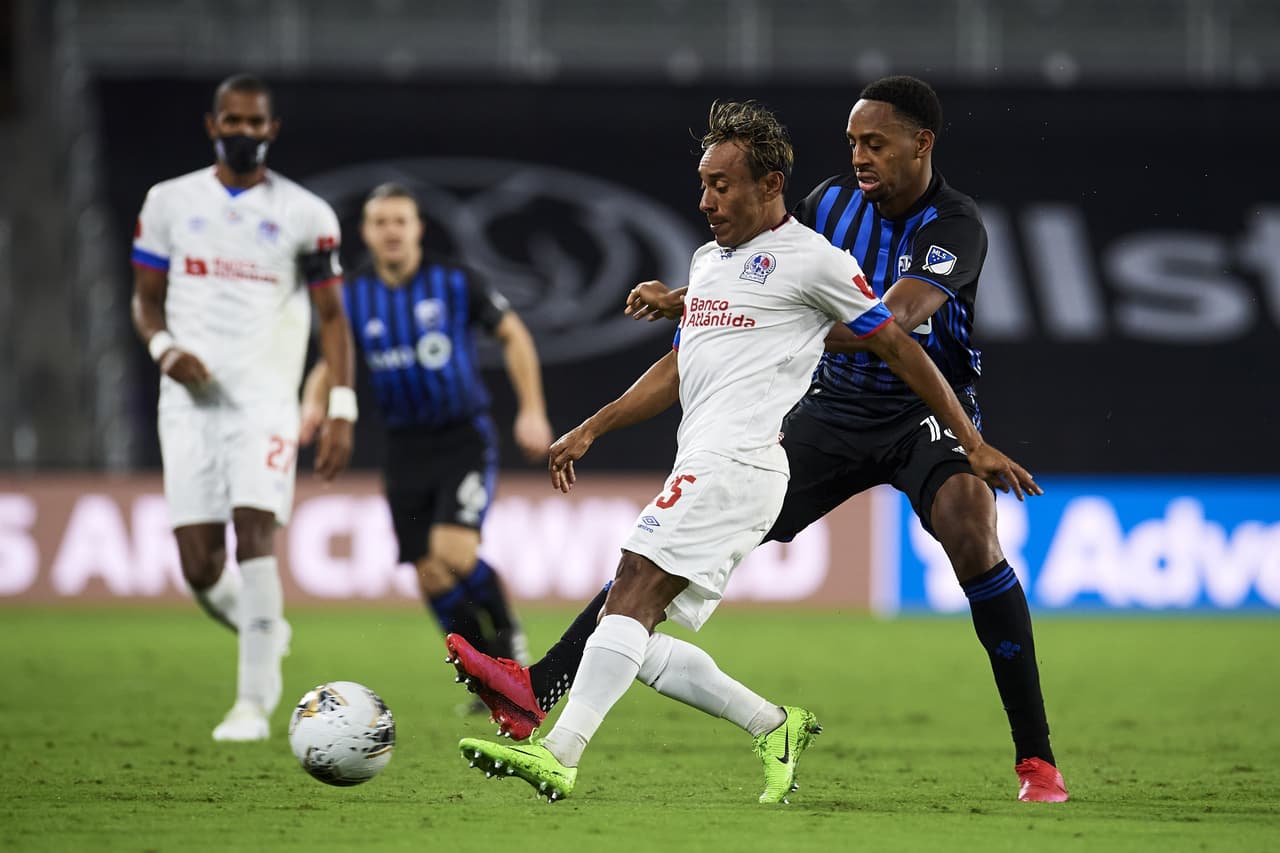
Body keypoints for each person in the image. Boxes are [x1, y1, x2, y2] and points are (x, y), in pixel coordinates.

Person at [447, 76, 1069, 804]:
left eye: (875, 143)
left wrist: (760, 319)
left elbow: (889, 323)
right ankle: (557, 688)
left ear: (921, 144)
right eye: (852, 143)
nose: (860, 156)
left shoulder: (955, 225)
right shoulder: (830, 204)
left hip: (921, 413)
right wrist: (693, 302)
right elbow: (757, 270)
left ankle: (1037, 760)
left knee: (972, 534)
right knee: (661, 562)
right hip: (829, 414)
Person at [130, 73, 356, 742]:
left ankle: (252, 705)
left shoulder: (307, 215)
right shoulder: (168, 202)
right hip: (188, 403)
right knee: (200, 568)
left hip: (264, 403)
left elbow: (333, 318)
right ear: (212, 125)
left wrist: (341, 406)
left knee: (255, 531)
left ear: (272, 130)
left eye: (256, 123)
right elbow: (145, 301)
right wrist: (166, 349)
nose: (245, 133)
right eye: (234, 121)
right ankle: (268, 627)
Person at [301, 183, 551, 673]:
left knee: (454, 553)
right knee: (428, 571)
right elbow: (331, 361)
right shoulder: (353, 295)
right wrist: (312, 405)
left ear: (417, 228)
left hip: (462, 437)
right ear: (366, 233)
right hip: (404, 446)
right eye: (381, 222)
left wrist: (532, 409)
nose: (391, 231)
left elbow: (513, 334)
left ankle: (509, 646)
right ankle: (485, 672)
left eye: (400, 221)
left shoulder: (456, 282)